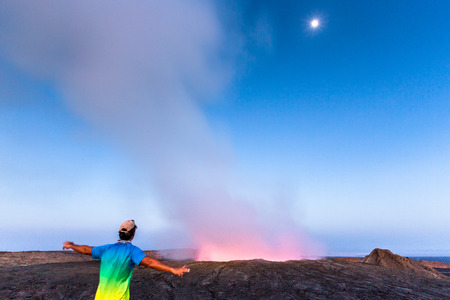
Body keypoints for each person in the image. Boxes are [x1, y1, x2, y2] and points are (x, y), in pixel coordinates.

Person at [63, 220, 190, 299]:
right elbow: (149, 262)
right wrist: (172, 269)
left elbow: (86, 250)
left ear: (119, 233)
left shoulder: (107, 248)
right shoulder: (132, 251)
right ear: (133, 234)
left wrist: (71, 246)